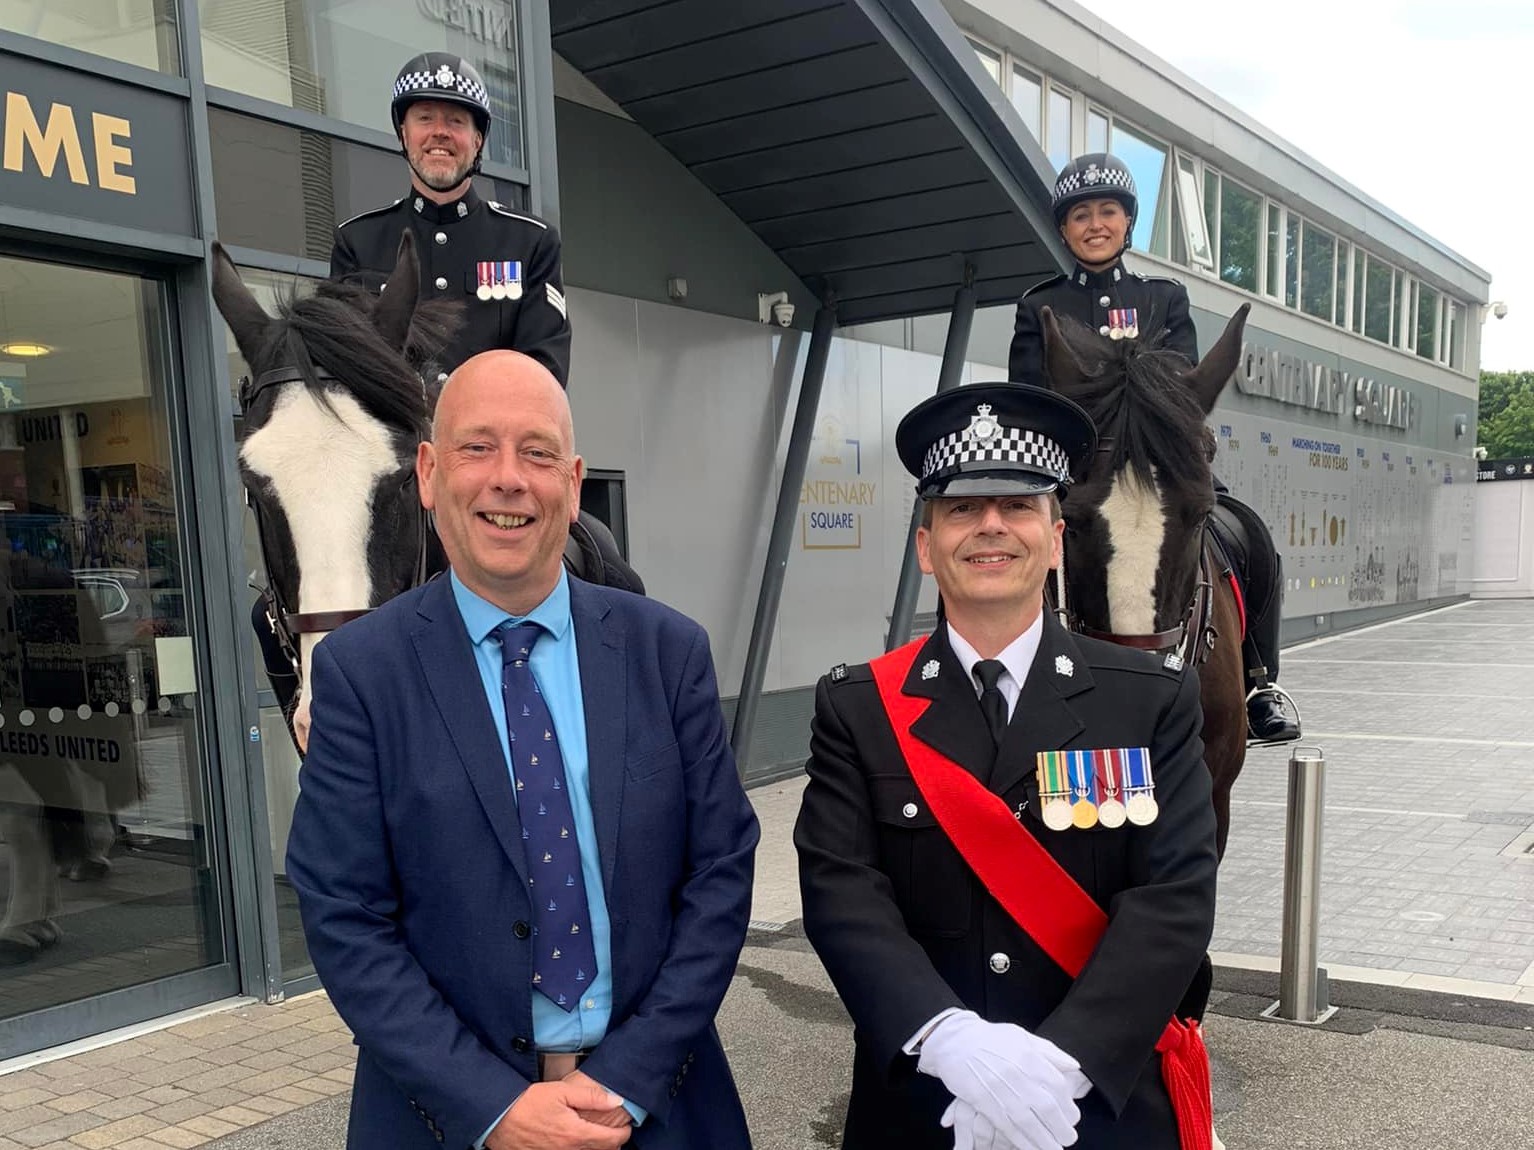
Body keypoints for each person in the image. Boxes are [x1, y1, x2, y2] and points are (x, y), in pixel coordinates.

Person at [285, 350, 758, 1150]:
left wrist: (628, 1079)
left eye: (537, 452)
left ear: (573, 485)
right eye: (477, 448)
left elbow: (720, 873)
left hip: (657, 1109)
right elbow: (344, 915)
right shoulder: (361, 674)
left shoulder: (667, 652)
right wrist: (493, 1108)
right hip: (446, 1120)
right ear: (430, 474)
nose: (509, 478)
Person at [795, 382, 1219, 1150]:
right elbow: (841, 896)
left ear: (1056, 539)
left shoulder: (1150, 700)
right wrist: (950, 1040)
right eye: (961, 508)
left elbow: (1175, 898)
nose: (991, 526)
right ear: (926, 546)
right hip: (926, 1105)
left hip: (1093, 1110)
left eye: (1018, 506)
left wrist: (1063, 1063)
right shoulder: (856, 708)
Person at [1009, 152, 1299, 743]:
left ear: (1127, 221)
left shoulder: (1163, 298)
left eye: (1107, 211)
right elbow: (1028, 398)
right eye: (1080, 214)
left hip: (1159, 464)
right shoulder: (1041, 305)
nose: (1095, 224)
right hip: (1076, 469)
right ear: (1063, 229)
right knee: (998, 548)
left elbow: (1181, 382)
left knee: (1252, 535)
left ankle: (1258, 680)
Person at [331, 53, 572, 387]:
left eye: (456, 121)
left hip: (489, 435)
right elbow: (341, 366)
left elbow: (544, 374)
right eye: (425, 118)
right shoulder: (357, 242)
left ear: (478, 141)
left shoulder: (530, 243)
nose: (439, 133)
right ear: (404, 134)